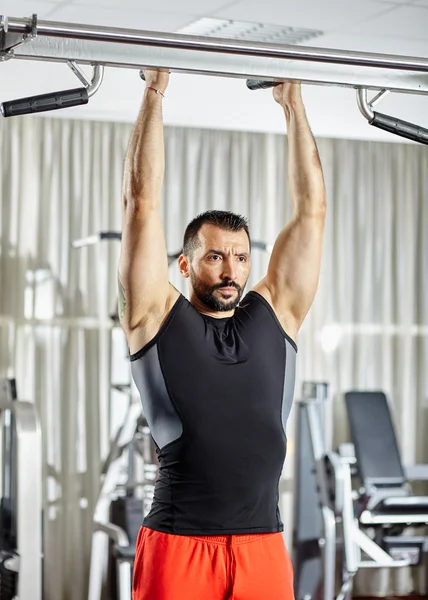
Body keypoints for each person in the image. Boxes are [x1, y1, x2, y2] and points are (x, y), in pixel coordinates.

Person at [118, 69, 326, 600]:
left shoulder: (274, 316)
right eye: (215, 257)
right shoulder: (155, 315)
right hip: (178, 544)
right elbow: (141, 203)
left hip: (262, 545)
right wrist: (155, 94)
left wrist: (292, 105)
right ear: (185, 266)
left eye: (239, 257)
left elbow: (312, 211)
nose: (231, 270)